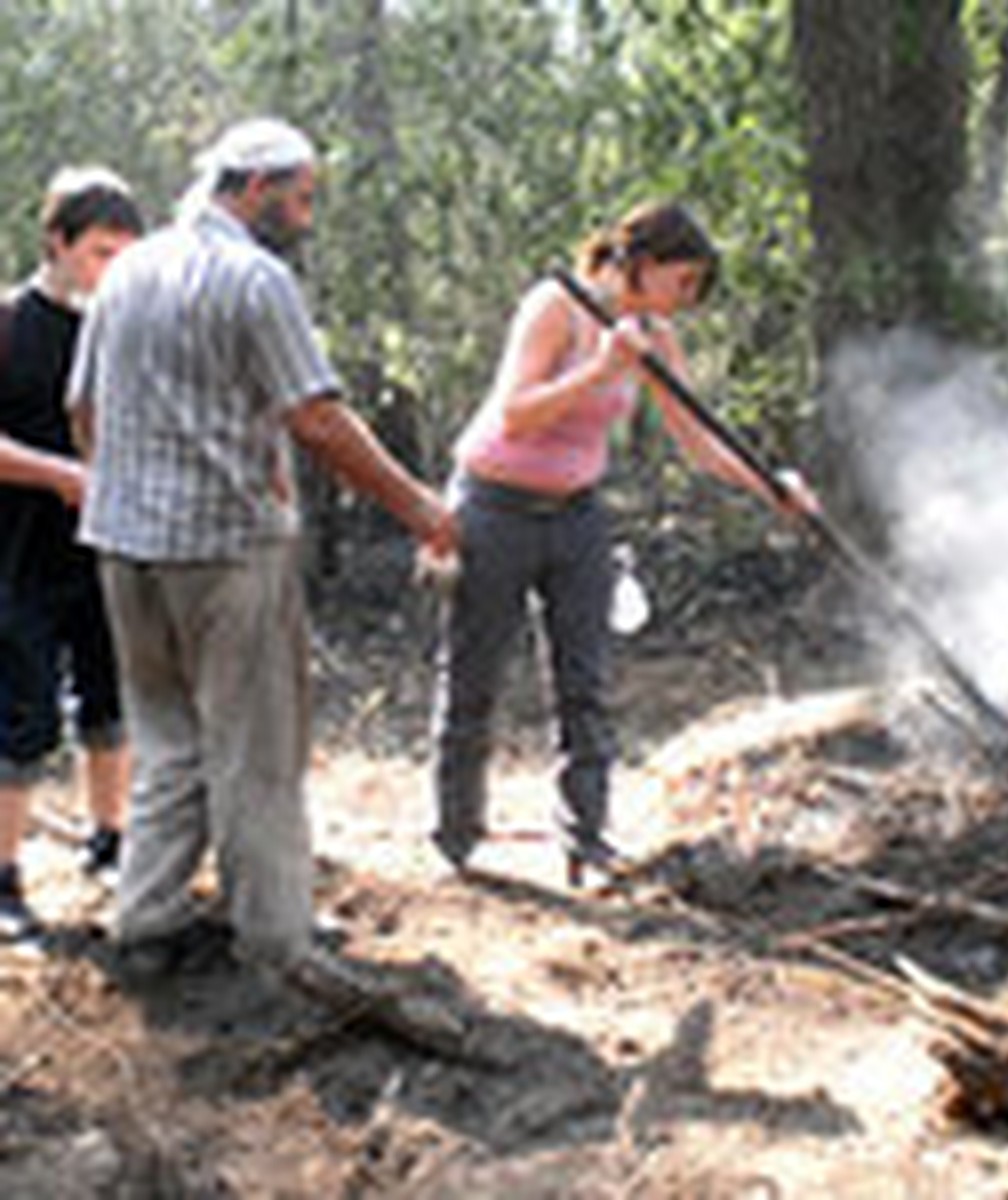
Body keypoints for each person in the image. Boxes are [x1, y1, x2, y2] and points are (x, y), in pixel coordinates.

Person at [68, 118, 457, 976]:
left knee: (167, 739)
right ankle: (277, 940)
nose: (308, 216)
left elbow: (82, 406)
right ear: (253, 186)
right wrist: (420, 509)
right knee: (257, 749)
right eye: (302, 196)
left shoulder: (127, 269)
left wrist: (118, 488)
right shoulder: (255, 279)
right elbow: (316, 417)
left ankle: (146, 923)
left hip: (124, 551)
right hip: (226, 550)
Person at [432, 201, 819, 885]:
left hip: (576, 513)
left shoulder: (654, 335)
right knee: (475, 674)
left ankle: (587, 837)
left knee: (587, 680)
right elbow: (515, 413)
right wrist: (604, 365)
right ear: (640, 263)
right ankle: (457, 837)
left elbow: (698, 442)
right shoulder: (555, 306)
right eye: (684, 280)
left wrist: (772, 486)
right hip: (494, 506)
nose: (688, 300)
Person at [0, 167, 144, 942]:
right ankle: (5, 879)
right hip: (16, 559)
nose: (113, 269)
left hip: (106, 553)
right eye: (100, 251)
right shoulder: (9, 324)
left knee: (110, 702)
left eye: (128, 253)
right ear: (56, 243)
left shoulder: (121, 330)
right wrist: (57, 473)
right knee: (19, 718)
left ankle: (110, 843)